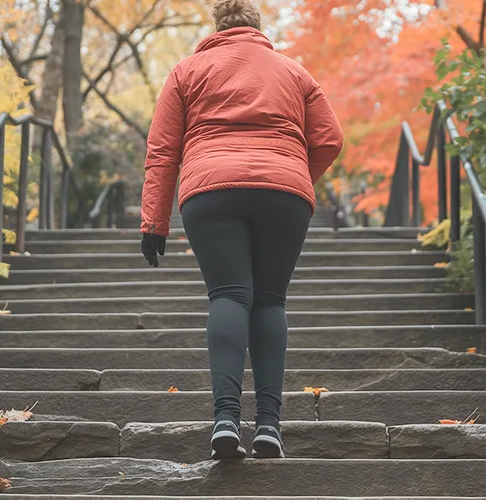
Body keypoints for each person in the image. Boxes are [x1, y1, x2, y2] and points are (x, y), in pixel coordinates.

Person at [136, 0, 343, 461]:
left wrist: (154, 221)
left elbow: (162, 149)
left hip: (211, 191)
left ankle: (226, 419)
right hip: (284, 194)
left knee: (229, 296)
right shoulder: (294, 71)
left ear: (217, 26)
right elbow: (330, 138)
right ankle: (269, 426)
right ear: (257, 26)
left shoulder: (186, 71)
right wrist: (294, 175)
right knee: (269, 301)